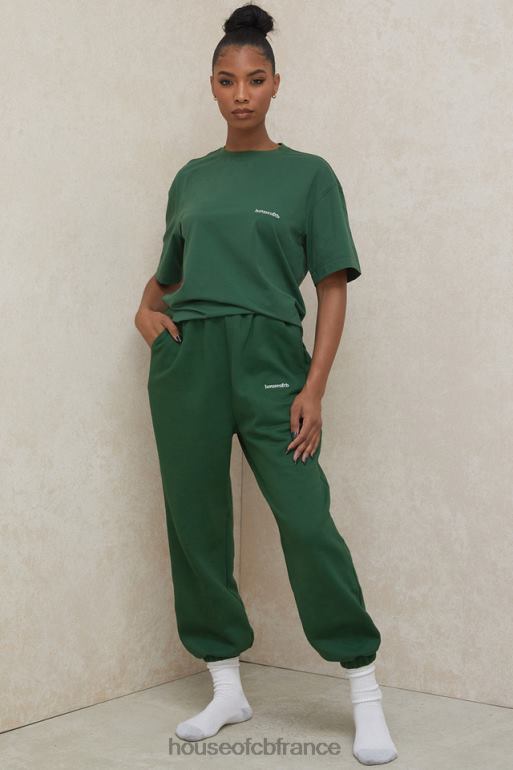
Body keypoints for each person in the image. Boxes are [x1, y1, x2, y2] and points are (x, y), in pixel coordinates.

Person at [134, 3, 398, 765]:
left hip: (272, 363)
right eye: (226, 80)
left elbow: (332, 286)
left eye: (254, 79)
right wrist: (147, 317)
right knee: (196, 523)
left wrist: (314, 387)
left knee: (307, 521)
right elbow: (165, 280)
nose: (240, 93)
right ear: (212, 87)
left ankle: (363, 691)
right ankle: (225, 685)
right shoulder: (190, 178)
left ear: (275, 84)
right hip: (189, 365)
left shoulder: (309, 175)